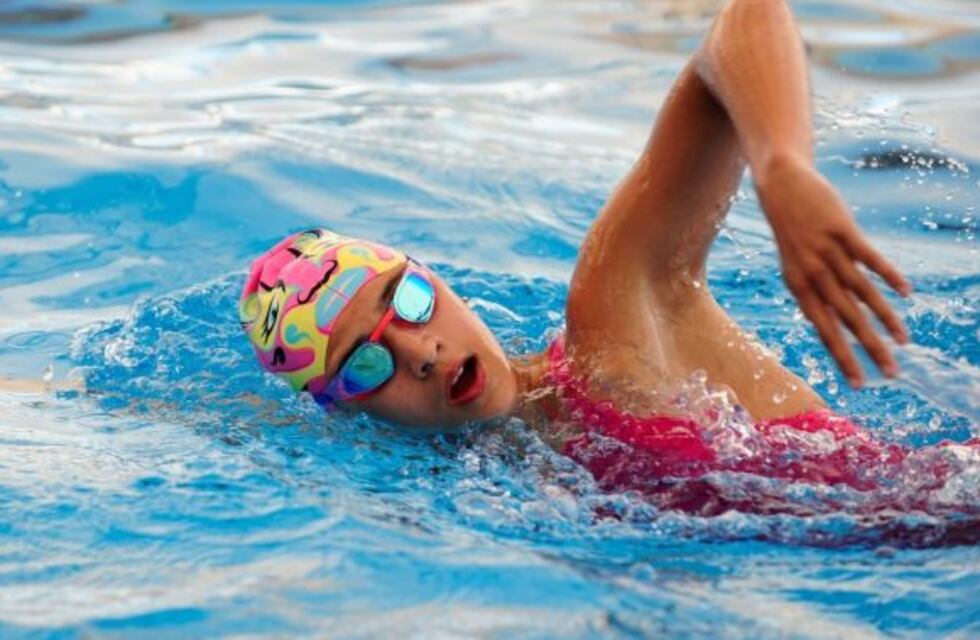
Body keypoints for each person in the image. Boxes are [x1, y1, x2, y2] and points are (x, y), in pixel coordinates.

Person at [239, 0, 970, 512]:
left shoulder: (612, 330)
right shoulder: (507, 493)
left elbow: (742, 21)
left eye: (407, 301)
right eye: (365, 364)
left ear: (438, 280)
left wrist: (782, 167)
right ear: (344, 414)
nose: (418, 353)